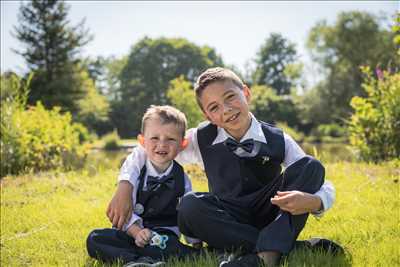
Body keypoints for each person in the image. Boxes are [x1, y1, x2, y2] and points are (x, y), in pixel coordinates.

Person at [108, 67, 337, 266]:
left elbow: (322, 183)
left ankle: (264, 257)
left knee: (311, 166)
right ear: (207, 114)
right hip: (226, 219)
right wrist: (125, 185)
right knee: (190, 204)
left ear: (246, 93)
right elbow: (147, 149)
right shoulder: (200, 137)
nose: (226, 110)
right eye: (214, 107)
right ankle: (281, 249)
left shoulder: (278, 139)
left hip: (271, 210)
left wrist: (315, 201)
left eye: (230, 97)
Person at [87, 105, 200, 266]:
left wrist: (194, 240)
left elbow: (186, 213)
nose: (162, 144)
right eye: (155, 138)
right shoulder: (136, 175)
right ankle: (137, 261)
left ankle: (149, 257)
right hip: (132, 231)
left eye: (170, 139)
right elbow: (125, 210)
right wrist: (137, 232)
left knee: (167, 245)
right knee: (95, 238)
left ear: (182, 144)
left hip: (163, 235)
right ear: (142, 141)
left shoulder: (182, 178)